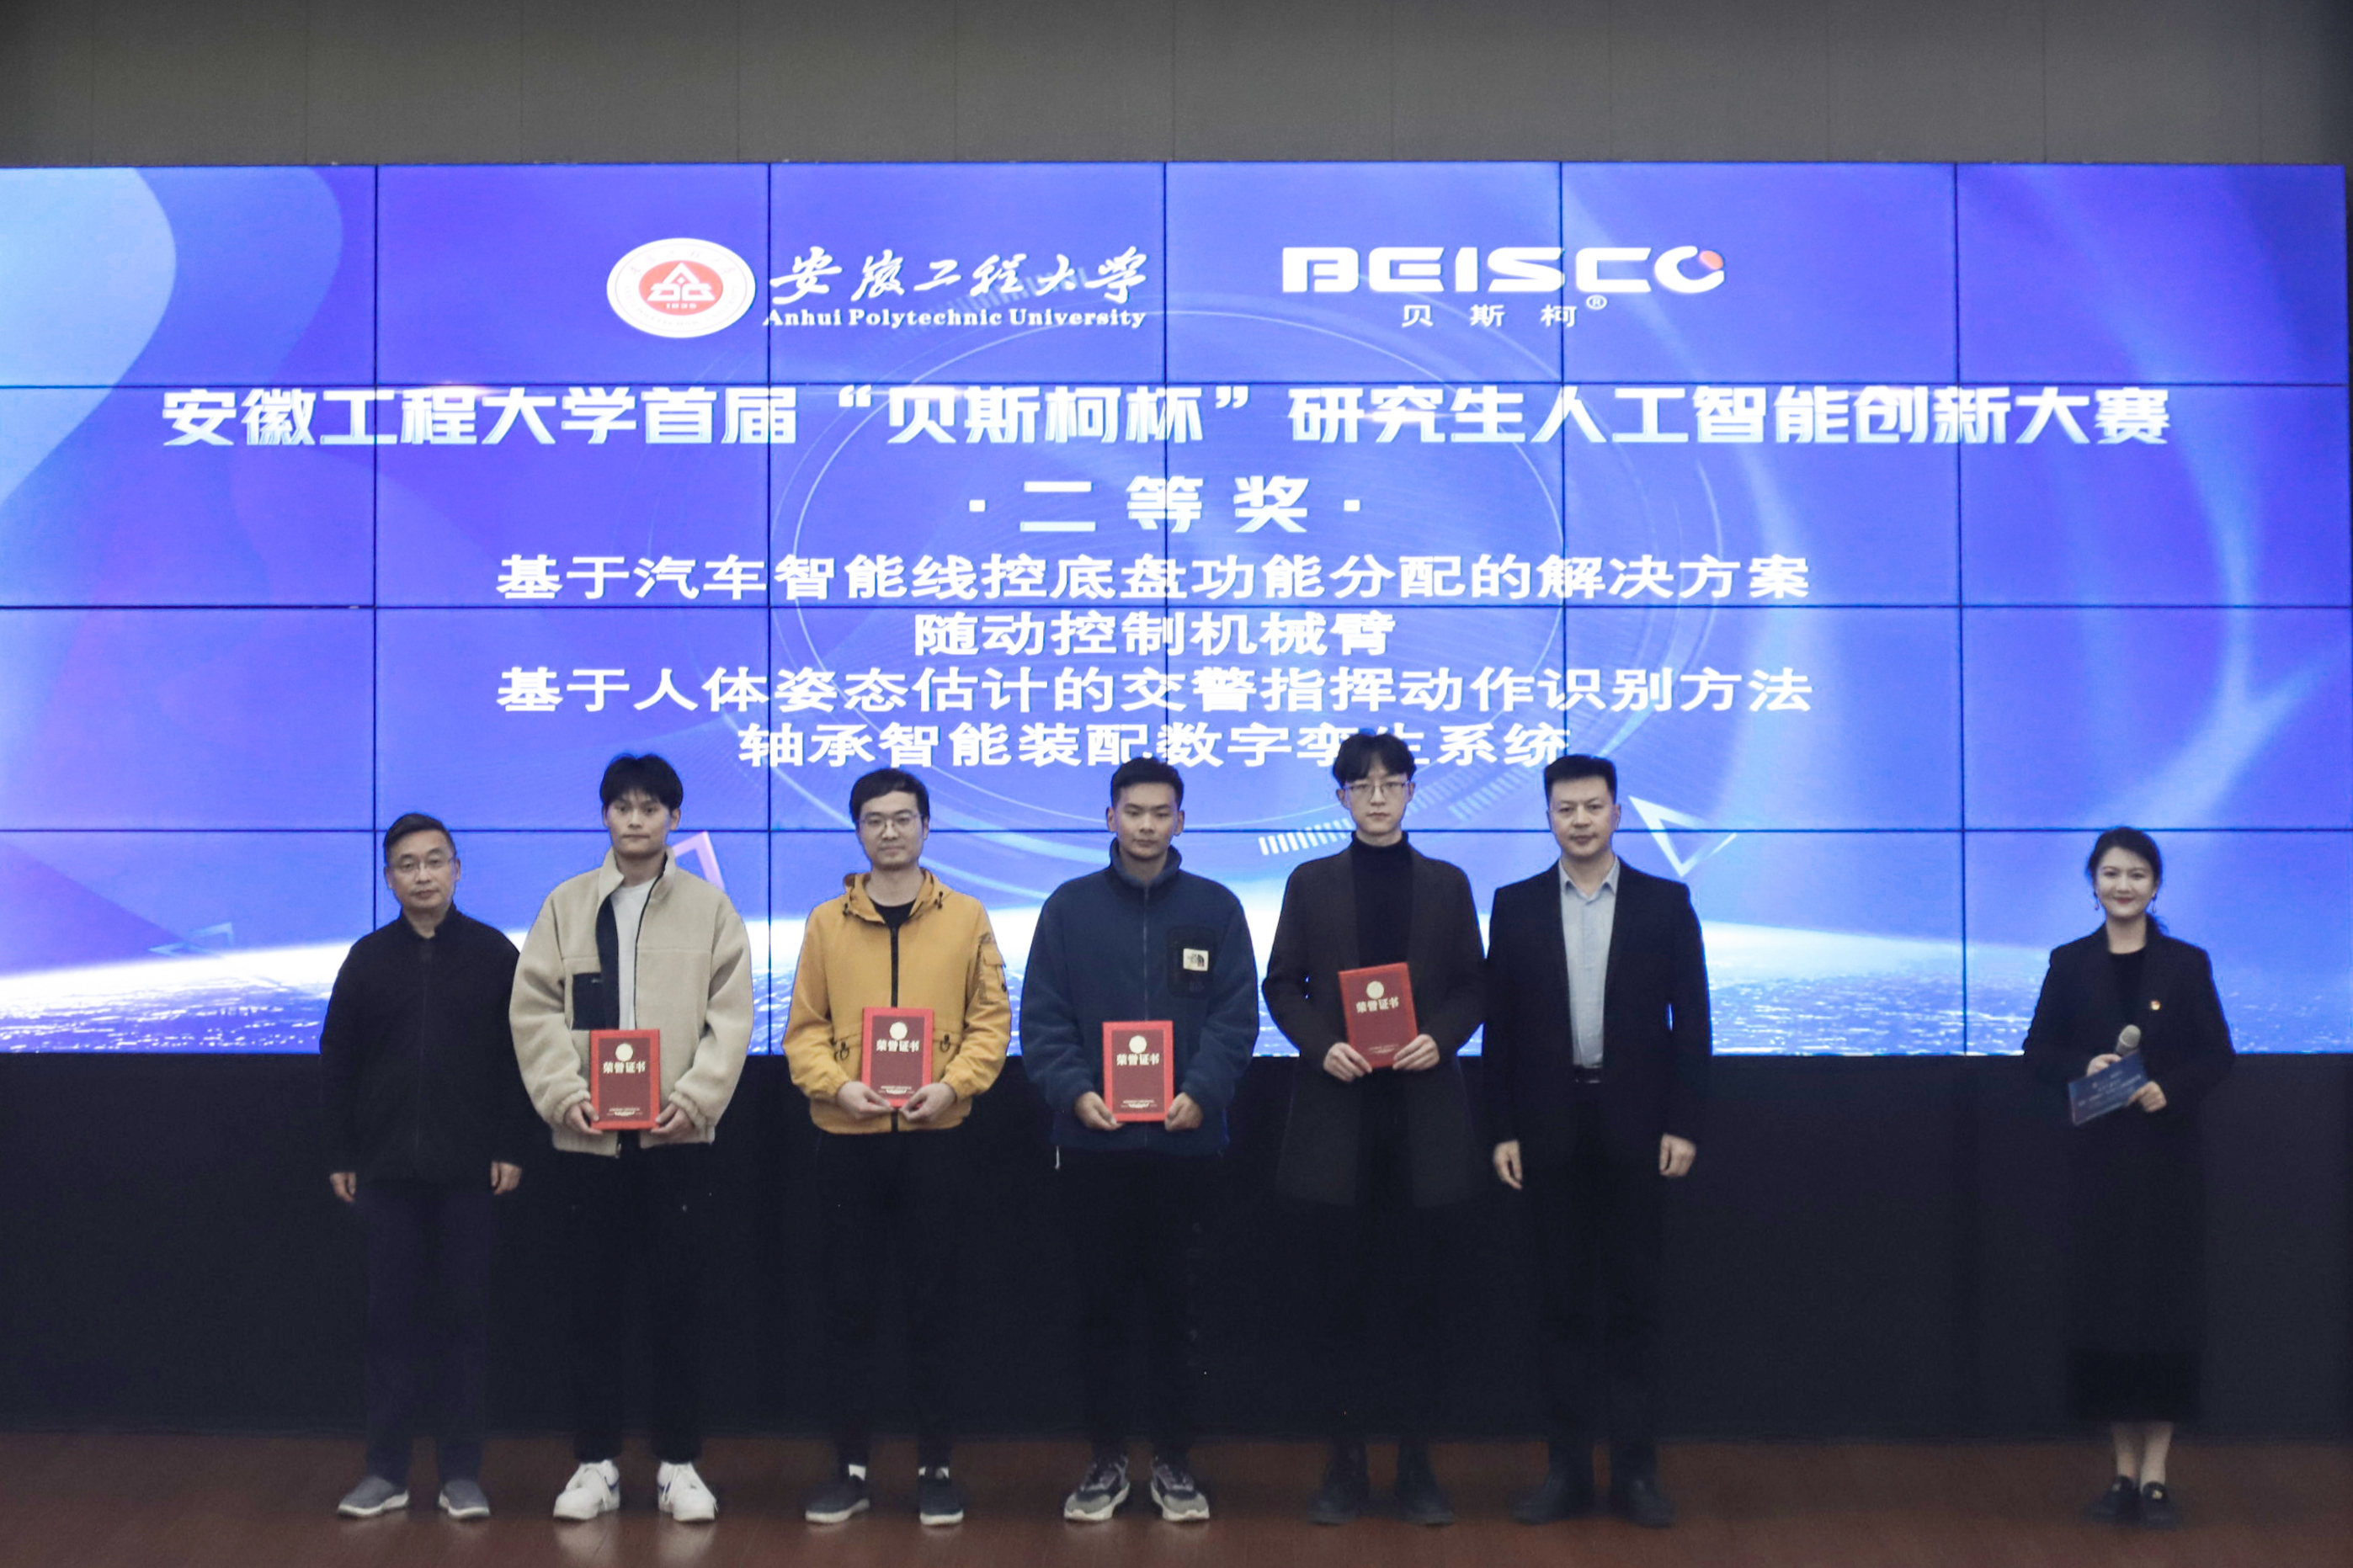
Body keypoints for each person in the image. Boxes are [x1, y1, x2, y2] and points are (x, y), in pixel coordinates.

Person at [510, 753, 755, 1524]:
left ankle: (680, 1464)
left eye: (652, 807)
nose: (637, 819)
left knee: (679, 1306)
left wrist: (696, 1099)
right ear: (605, 816)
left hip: (676, 1142)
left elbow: (731, 1016)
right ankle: (596, 1463)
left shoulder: (711, 909)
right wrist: (564, 1096)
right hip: (586, 1145)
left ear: (674, 818)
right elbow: (534, 1008)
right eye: (623, 806)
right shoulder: (565, 905)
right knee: (591, 1308)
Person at [1018, 757, 1259, 1525]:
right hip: (1095, 1147)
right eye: (1134, 811)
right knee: (1100, 1312)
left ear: (1181, 820)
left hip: (1188, 1145)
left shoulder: (1216, 906)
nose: (1147, 825)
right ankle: (1106, 1459)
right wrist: (1075, 1091)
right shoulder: (1069, 907)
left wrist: (1201, 1092)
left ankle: (1176, 1462)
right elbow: (1042, 1018)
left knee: (1180, 1311)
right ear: (1110, 817)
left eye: (1161, 812)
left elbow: (1236, 1016)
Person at [1263, 732, 1486, 1525]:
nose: (1379, 797)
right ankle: (1345, 1465)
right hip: (1339, 1115)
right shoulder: (1310, 882)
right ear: (1341, 798)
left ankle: (1417, 1467)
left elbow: (1472, 985)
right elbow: (1281, 984)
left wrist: (1442, 1036)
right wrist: (1321, 1044)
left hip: (1423, 1119)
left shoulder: (1447, 882)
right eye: (1363, 785)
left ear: (1412, 791)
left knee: (1422, 1303)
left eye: (1392, 783)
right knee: (1340, 1304)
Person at [1483, 753, 1708, 1531]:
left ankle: (1636, 1473)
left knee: (1634, 1305)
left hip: (1638, 1128)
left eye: (1591, 806)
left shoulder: (1664, 902)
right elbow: (1500, 1031)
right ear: (1547, 816)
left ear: (1616, 811)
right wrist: (1502, 1128)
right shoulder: (1513, 905)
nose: (1578, 820)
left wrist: (1684, 1121)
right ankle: (1567, 1472)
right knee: (1561, 1306)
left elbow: (1693, 1024)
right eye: (1564, 808)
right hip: (1547, 1126)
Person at [783, 768, 1012, 1528]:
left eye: (903, 817)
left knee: (934, 1307)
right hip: (846, 1138)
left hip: (935, 1137)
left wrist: (953, 1087)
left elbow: (991, 1022)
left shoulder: (967, 916)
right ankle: (848, 1467)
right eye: (875, 819)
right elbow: (804, 1030)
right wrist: (836, 1086)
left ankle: (936, 1467)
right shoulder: (825, 921)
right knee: (846, 1307)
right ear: (857, 830)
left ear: (925, 826)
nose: (890, 831)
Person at [2023, 827, 2233, 1531]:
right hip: (2097, 1167)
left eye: (2136, 874)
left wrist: (2170, 1088)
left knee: (2163, 1310)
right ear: (2093, 883)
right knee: (2106, 1310)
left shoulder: (2185, 963)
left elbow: (2217, 1054)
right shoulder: (2068, 961)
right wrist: (2079, 1066)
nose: (2122, 885)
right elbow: (2035, 1049)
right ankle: (2119, 1469)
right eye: (2110, 873)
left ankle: (2155, 1475)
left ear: (2155, 885)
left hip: (2167, 1165)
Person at [323, 813, 530, 1522]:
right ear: (389, 879)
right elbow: (338, 1060)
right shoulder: (367, 958)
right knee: (389, 1324)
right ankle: (385, 1471)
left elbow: (519, 1058)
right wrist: (341, 1152)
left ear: (457, 870)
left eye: (435, 861)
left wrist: (510, 1144)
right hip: (386, 1172)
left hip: (469, 1170)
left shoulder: (494, 954)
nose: (422, 875)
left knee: (464, 1322)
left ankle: (461, 1473)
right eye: (407, 864)